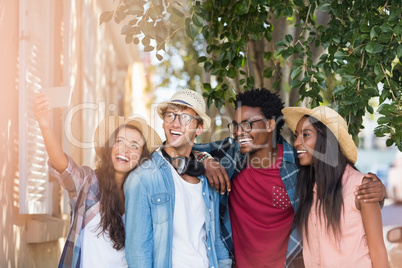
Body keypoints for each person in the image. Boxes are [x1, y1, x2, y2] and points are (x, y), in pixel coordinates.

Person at [193, 88, 386, 267]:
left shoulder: (300, 164)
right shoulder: (230, 155)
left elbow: (341, 180)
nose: (239, 132)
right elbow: (176, 150)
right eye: (235, 125)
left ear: (270, 125)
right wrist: (205, 159)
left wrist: (379, 190)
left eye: (247, 124)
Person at [34, 92, 162, 268]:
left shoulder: (142, 197)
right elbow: (63, 166)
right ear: (110, 146)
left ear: (142, 157)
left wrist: (204, 159)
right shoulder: (89, 183)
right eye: (120, 141)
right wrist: (45, 125)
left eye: (134, 146)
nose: (125, 150)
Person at [124, 89, 232, 267]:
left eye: (185, 118)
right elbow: (138, 253)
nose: (175, 124)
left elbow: (214, 239)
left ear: (199, 128)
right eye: (171, 116)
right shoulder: (142, 178)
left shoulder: (207, 179)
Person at [282, 106, 389, 267]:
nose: (296, 142)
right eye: (297, 136)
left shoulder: (362, 188)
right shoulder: (307, 189)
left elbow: (378, 253)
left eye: (305, 135)